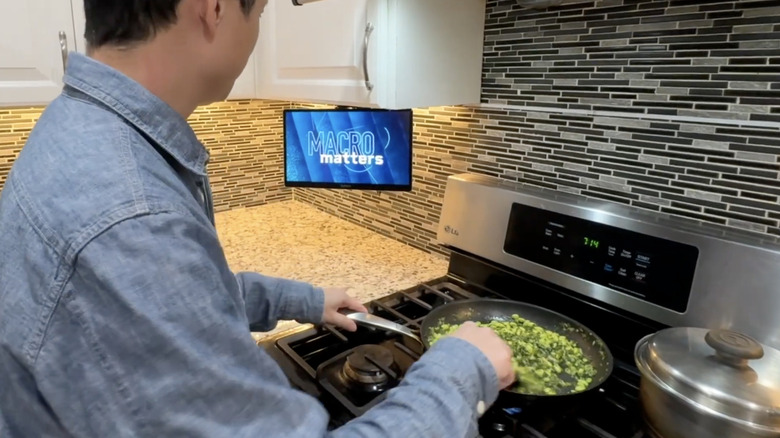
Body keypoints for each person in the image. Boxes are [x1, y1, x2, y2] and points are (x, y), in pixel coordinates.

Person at [0, 0, 515, 436]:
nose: (258, 30)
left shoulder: (79, 130)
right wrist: (459, 372)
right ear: (214, 8)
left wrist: (300, 300)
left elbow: (183, 294)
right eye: (263, 10)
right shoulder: (129, 217)